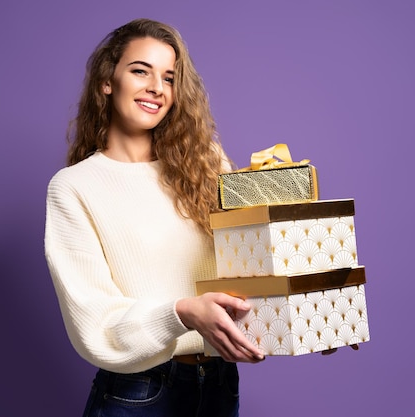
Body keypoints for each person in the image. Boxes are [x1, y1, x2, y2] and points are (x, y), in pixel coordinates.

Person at [44, 18, 264, 417]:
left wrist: (308, 308)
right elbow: (95, 324)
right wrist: (182, 313)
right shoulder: (74, 187)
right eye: (140, 71)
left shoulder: (207, 163)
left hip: (218, 383)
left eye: (169, 77)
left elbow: (250, 260)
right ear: (107, 81)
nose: (156, 88)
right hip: (139, 391)